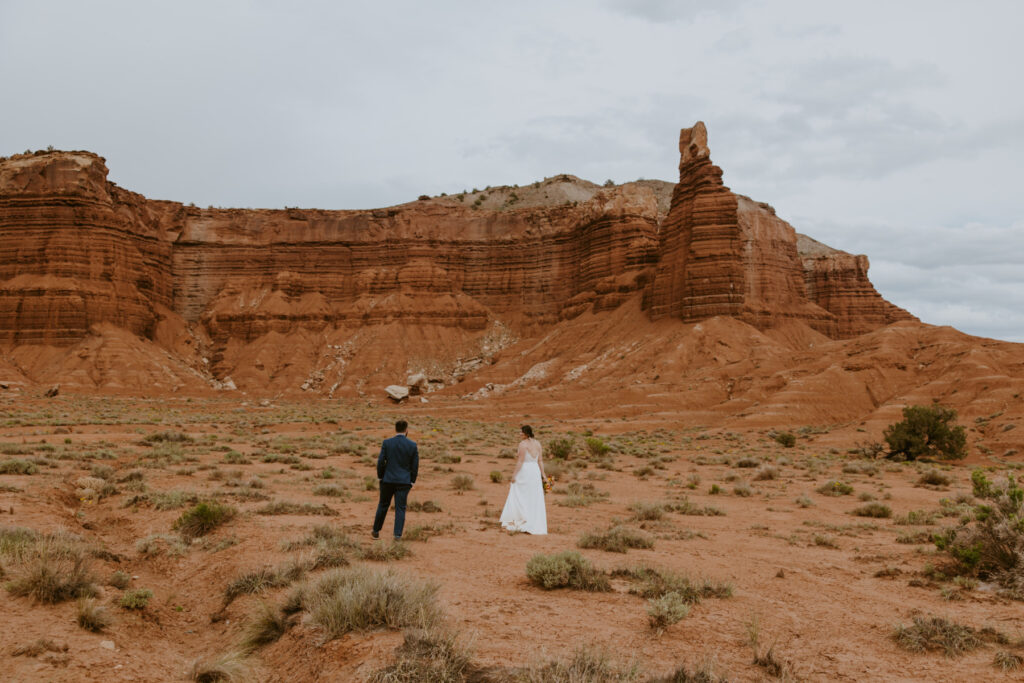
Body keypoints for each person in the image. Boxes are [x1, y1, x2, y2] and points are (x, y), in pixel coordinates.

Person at [372, 419, 418, 540]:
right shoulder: (412, 445)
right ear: (406, 430)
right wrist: (412, 480)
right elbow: (415, 465)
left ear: (395, 429)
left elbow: (381, 461)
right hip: (404, 481)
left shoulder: (387, 443)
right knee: (400, 508)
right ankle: (397, 535)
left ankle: (376, 531)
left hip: (388, 480)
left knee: (383, 505)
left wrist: (381, 476)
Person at [499, 425, 547, 534]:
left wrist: (514, 475)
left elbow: (520, 461)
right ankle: (532, 520)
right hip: (535, 472)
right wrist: (543, 475)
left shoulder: (523, 444)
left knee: (519, 494)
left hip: (525, 471)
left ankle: (521, 519)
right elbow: (540, 461)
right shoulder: (538, 444)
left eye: (521, 432)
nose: (520, 434)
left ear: (526, 433)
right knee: (533, 496)